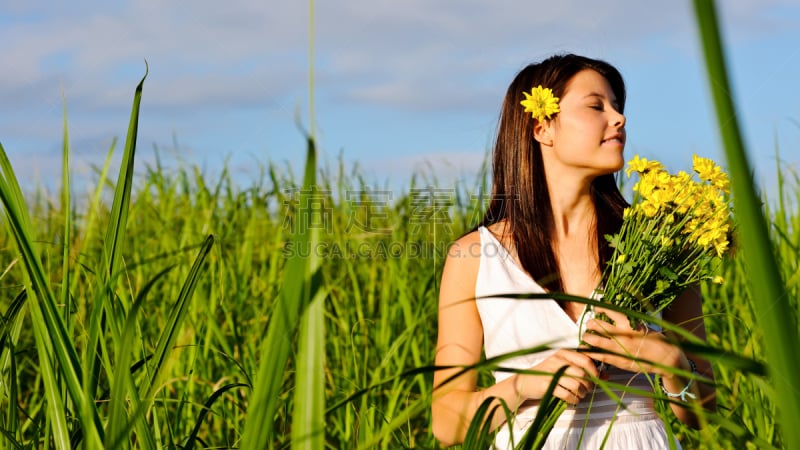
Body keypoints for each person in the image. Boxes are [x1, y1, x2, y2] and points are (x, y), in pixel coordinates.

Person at [431, 54, 716, 449]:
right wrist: (526, 385)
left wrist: (669, 362)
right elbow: (446, 423)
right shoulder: (475, 257)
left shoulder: (660, 245)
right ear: (542, 127)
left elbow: (705, 411)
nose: (619, 119)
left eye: (618, 107)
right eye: (596, 106)